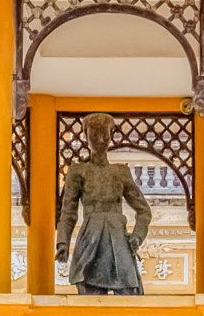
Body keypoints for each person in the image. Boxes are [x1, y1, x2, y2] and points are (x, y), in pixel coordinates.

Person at [53, 112, 151, 295]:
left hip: (118, 238)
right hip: (91, 239)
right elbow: (68, 212)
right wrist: (63, 243)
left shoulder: (121, 172)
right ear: (86, 137)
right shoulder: (78, 171)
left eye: (104, 135)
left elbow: (144, 211)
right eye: (94, 135)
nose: (99, 140)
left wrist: (137, 236)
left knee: (131, 293)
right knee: (90, 298)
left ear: (110, 137)